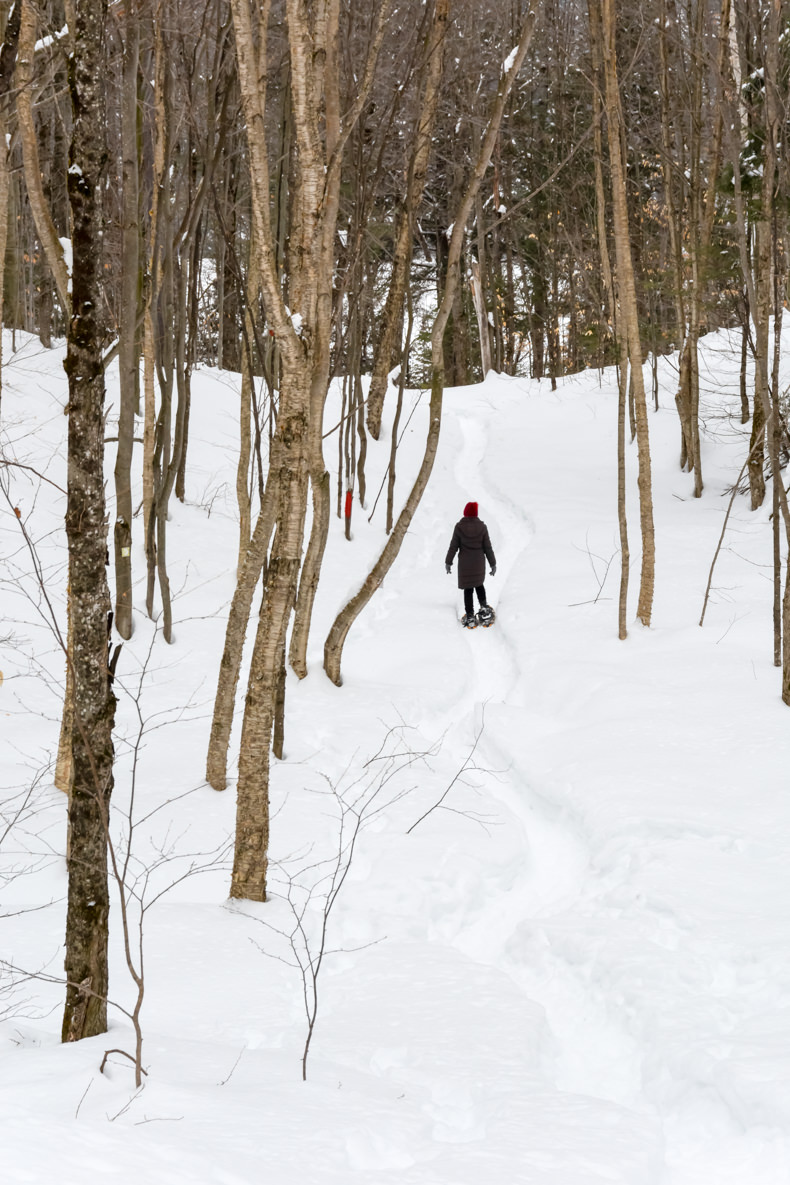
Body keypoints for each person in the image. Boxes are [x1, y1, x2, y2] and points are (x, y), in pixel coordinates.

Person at [445, 501, 496, 627]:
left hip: (465, 565)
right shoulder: (482, 527)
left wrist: (448, 561)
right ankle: (484, 610)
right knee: (479, 586)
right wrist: (493, 564)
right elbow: (488, 548)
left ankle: (470, 616)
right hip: (478, 564)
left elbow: (453, 546)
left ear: (465, 512)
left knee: (468, 589)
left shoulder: (459, 527)